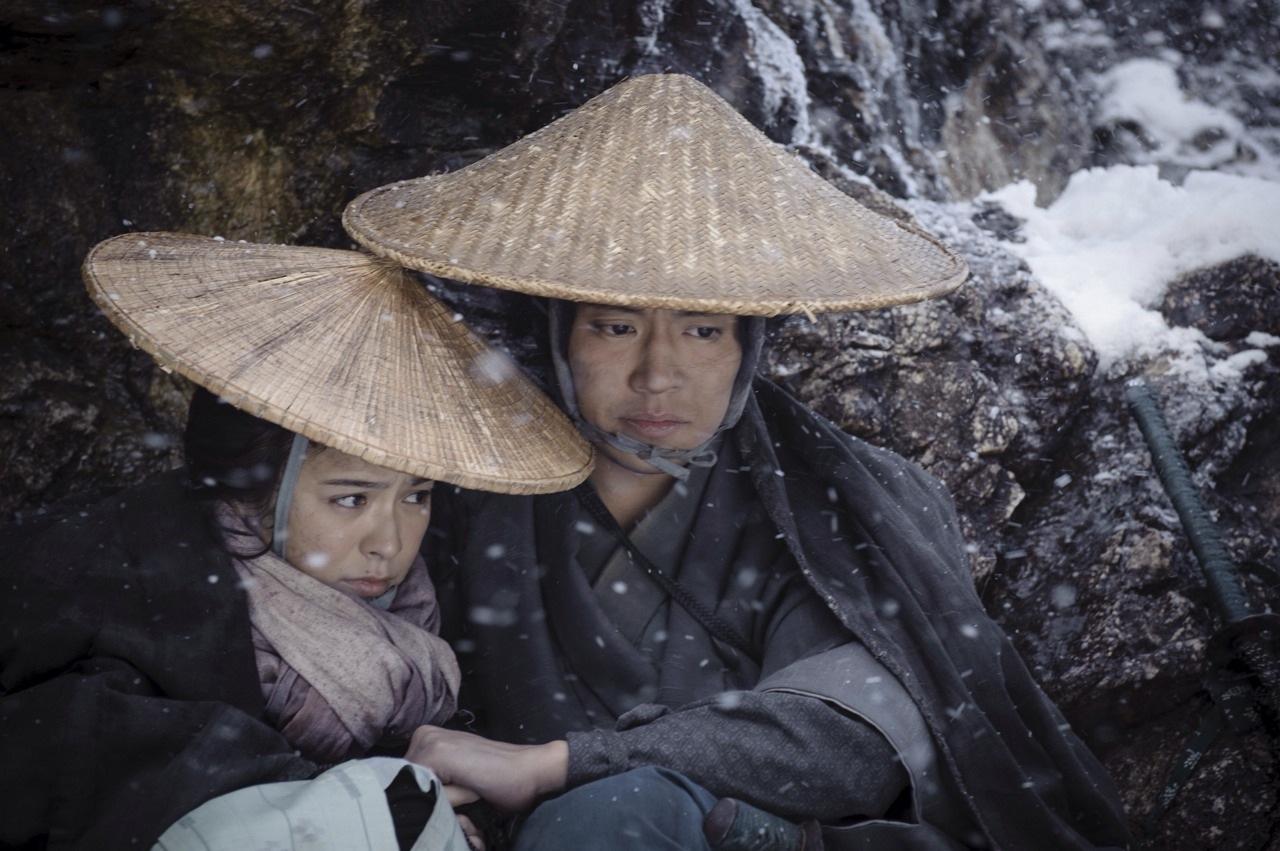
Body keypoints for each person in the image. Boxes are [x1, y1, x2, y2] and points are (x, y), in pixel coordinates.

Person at [343, 74, 1132, 849]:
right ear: (558, 336)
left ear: (749, 345)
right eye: (614, 329)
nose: (658, 374)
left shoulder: (834, 501)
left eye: (702, 331)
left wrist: (565, 763)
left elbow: (843, 744)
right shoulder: (460, 481)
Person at [0, 233, 593, 850]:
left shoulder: (430, 602)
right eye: (350, 499)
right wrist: (364, 804)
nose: (388, 542)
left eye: (416, 495)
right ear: (257, 492)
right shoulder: (126, 591)